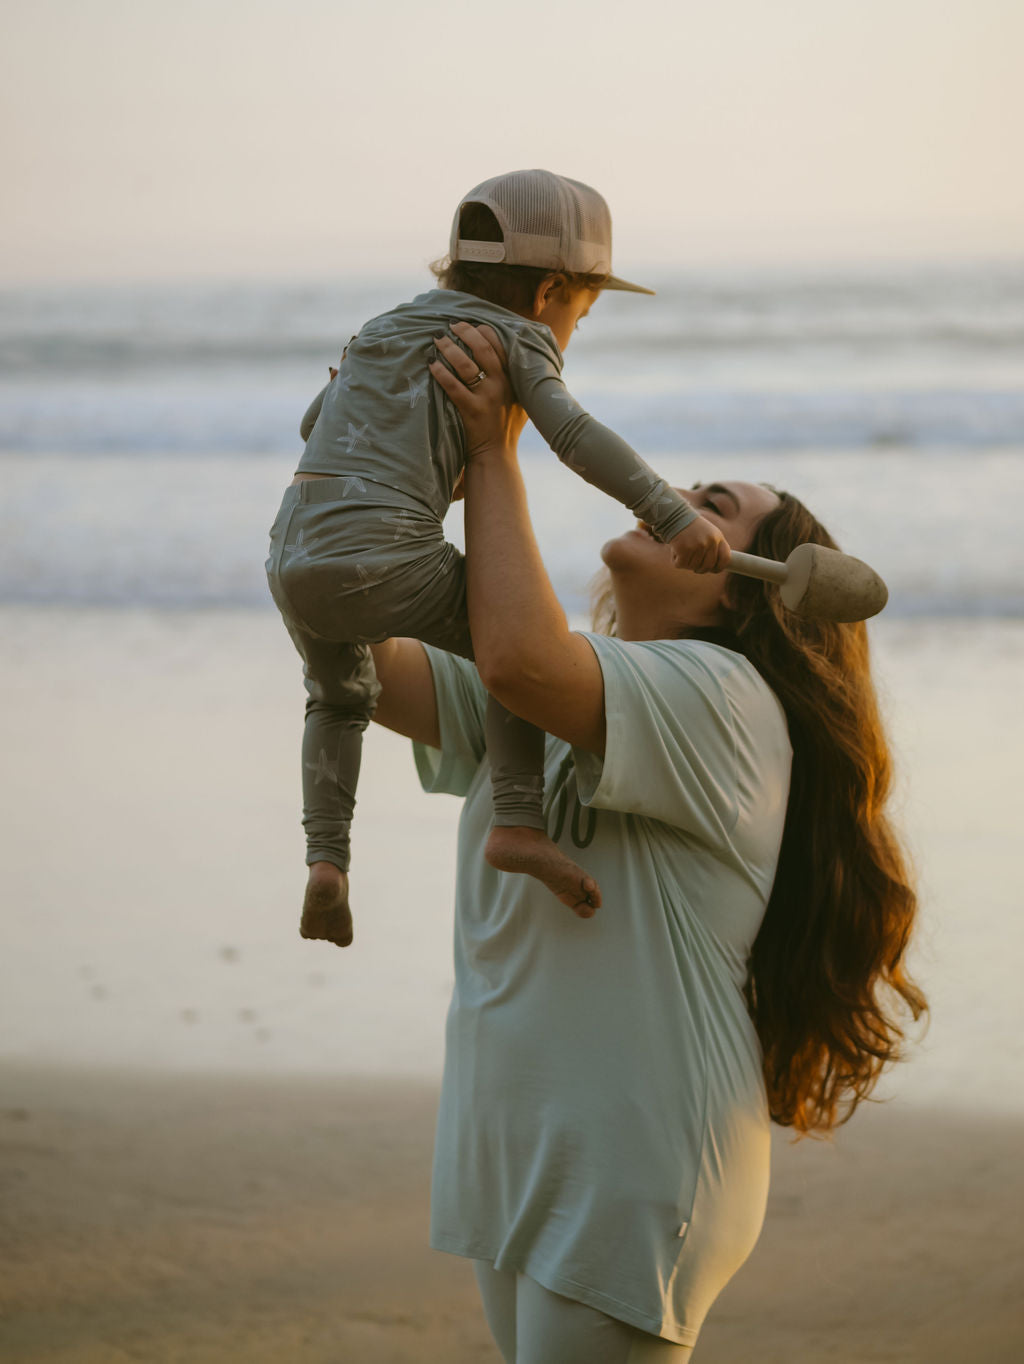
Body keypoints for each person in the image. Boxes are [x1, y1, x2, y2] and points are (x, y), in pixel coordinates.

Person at [365, 323, 926, 1361]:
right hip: (518, 1143)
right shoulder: (554, 683)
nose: (665, 495)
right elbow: (363, 657)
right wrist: (384, 444)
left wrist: (494, 448)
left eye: (711, 504)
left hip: (636, 1155)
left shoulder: (727, 698)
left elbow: (521, 659)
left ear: (748, 587)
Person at [265, 169, 728, 950]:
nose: (571, 332)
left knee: (338, 700)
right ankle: (517, 821)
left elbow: (318, 419)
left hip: (291, 549)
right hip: (384, 552)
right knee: (506, 641)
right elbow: (574, 437)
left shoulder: (381, 326)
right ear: (550, 292)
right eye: (582, 314)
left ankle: (327, 862)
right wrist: (670, 513)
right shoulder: (516, 338)